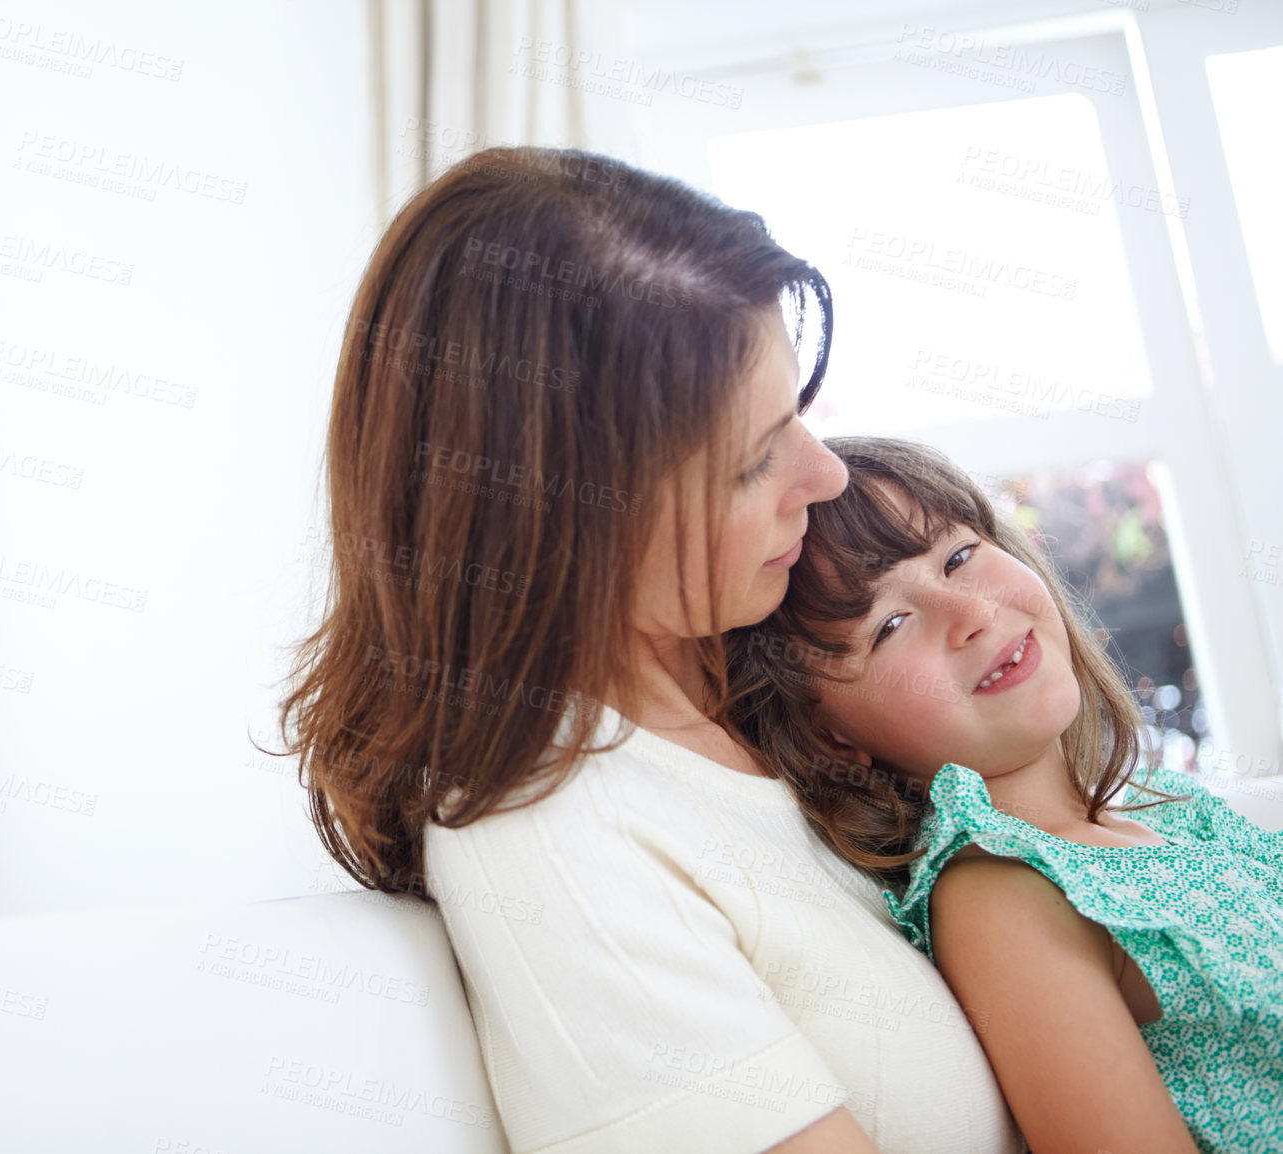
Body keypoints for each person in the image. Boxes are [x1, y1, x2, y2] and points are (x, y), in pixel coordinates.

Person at [271, 148, 1024, 1153]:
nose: (826, 472)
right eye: (752, 460)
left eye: (797, 413)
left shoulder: (757, 668)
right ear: (558, 516)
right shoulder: (555, 843)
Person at [729, 435, 1283, 1153]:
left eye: (958, 557)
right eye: (890, 626)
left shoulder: (1156, 807)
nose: (972, 613)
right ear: (830, 741)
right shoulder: (1003, 890)